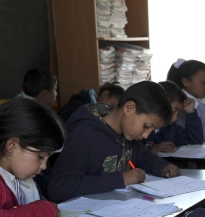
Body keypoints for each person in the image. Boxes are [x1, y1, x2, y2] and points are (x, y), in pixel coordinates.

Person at [48, 80, 181, 203]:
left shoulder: (128, 135)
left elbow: (145, 157)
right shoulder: (84, 135)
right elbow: (59, 187)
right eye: (146, 126)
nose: (146, 135)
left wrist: (164, 167)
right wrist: (120, 179)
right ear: (129, 108)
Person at [147, 81, 202, 154]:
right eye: (173, 111)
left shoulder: (171, 129)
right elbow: (131, 158)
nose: (176, 118)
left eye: (178, 112)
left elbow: (195, 142)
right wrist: (151, 151)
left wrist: (190, 112)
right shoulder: (140, 130)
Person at [59, 83, 125, 123]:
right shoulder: (77, 106)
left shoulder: (96, 111)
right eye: (111, 105)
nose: (110, 110)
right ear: (105, 94)